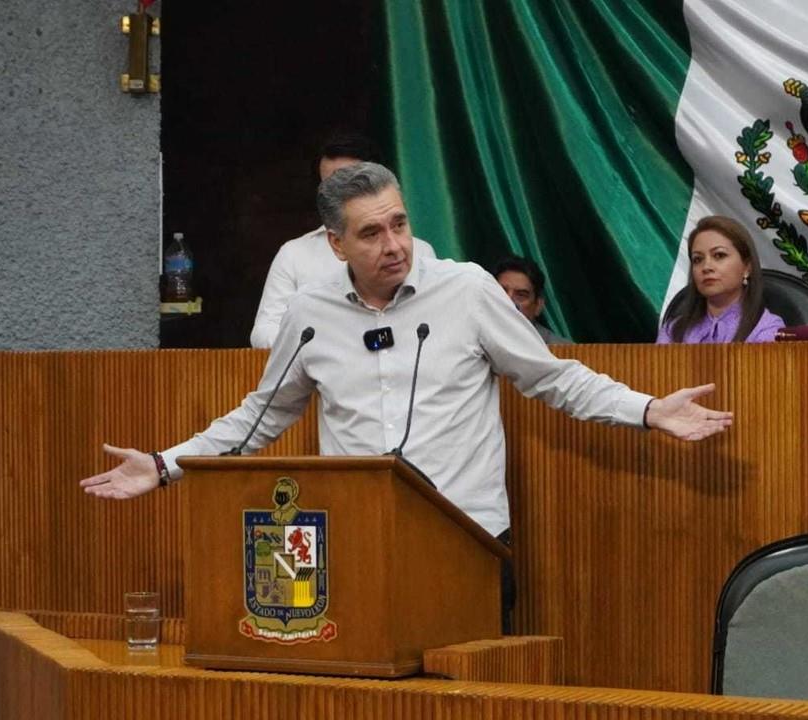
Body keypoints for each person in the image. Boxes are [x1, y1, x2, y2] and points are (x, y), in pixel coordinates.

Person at [82, 163, 734, 632]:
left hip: (468, 537)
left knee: (470, 697)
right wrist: (165, 465)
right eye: (371, 233)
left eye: (399, 224)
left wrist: (647, 410)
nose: (394, 245)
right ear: (335, 244)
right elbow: (262, 416)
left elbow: (551, 377)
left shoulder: (467, 289)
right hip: (362, 541)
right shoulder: (309, 313)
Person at [249, 132, 437, 348]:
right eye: (330, 186)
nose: (341, 193)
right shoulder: (294, 254)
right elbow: (264, 333)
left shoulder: (418, 252)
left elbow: (430, 324)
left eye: (353, 182)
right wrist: (331, 347)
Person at [657, 215, 785, 344]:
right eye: (698, 259)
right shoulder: (672, 330)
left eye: (719, 255)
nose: (706, 267)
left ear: (747, 267)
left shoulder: (768, 330)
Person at [494, 255, 572, 344]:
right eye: (500, 291)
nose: (508, 301)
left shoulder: (565, 352)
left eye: (521, 295)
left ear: (538, 306)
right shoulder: (476, 342)